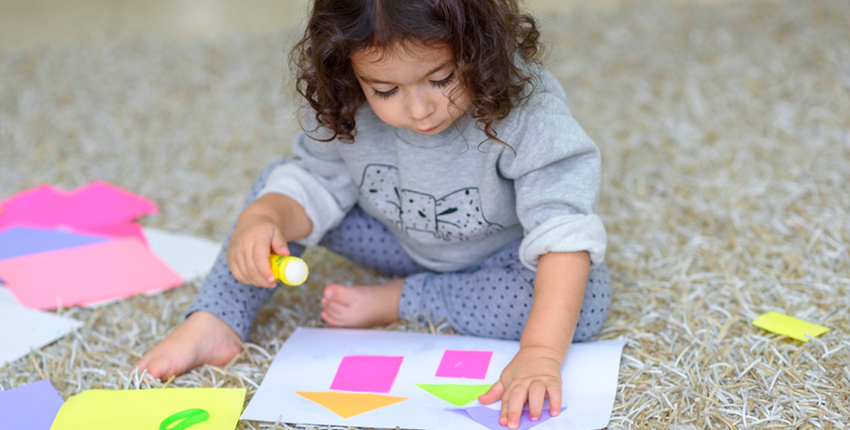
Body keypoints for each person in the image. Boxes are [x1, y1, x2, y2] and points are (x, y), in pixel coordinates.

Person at [135, 0, 612, 427]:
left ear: (480, 47)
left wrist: (541, 354)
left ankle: (401, 298)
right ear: (347, 72)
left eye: (442, 78)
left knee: (583, 300)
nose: (421, 108)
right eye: (385, 90)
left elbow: (560, 229)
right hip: (393, 237)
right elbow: (313, 182)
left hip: (501, 261)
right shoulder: (347, 101)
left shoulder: (528, 107)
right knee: (277, 192)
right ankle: (219, 317)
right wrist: (263, 222)